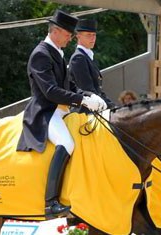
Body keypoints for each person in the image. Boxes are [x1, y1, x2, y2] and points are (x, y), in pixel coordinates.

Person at [16, 10, 107, 217]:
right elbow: (50, 91)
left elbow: (70, 85)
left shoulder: (57, 52)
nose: (70, 38)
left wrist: (88, 96)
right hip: (46, 111)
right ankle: (51, 202)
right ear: (56, 31)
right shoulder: (41, 54)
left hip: (63, 111)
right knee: (67, 143)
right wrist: (81, 100)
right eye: (67, 34)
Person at [69, 19, 115, 112]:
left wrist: (113, 106)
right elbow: (87, 89)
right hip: (85, 110)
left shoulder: (87, 57)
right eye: (88, 35)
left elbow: (98, 90)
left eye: (94, 35)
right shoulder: (78, 58)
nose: (92, 38)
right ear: (78, 36)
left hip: (96, 106)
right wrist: (109, 107)